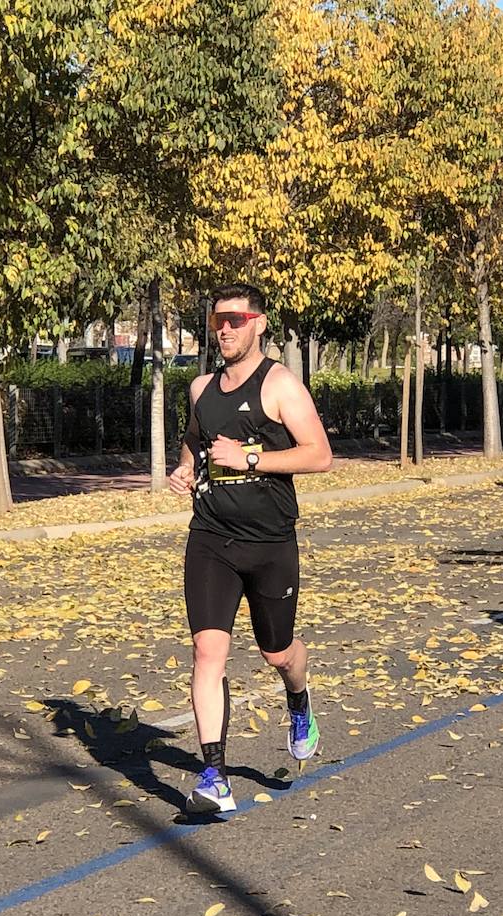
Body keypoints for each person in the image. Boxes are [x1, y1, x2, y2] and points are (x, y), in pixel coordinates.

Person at [168, 283, 333, 814]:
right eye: (218, 319)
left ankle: (299, 700)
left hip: (270, 543)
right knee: (206, 653)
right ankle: (214, 774)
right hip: (211, 538)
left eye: (236, 319)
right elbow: (197, 438)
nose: (225, 329)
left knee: (277, 654)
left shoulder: (280, 385)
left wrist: (252, 459)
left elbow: (320, 456)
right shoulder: (201, 388)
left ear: (259, 323)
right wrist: (186, 467)